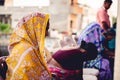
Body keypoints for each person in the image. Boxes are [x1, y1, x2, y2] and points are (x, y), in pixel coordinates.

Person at [4, 12, 51, 80]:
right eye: (45, 29)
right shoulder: (27, 50)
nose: (47, 33)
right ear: (34, 29)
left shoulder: (27, 47)